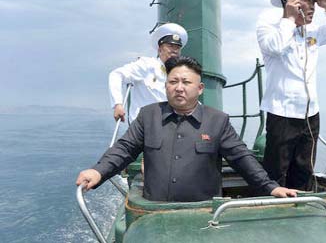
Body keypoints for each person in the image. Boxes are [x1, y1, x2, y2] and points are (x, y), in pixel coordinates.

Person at [76, 56, 298, 202]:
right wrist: (98, 171)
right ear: (166, 86)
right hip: (156, 212)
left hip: (201, 215)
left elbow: (242, 158)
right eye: (173, 82)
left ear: (200, 88)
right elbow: (124, 149)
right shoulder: (148, 115)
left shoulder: (217, 121)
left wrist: (271, 187)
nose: (179, 88)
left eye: (186, 82)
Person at [256, 0, 326, 190]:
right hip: (282, 114)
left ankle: (301, 212)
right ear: (293, 3)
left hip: (310, 114)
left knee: (304, 170)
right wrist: (288, 19)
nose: (313, 8)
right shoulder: (269, 28)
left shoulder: (312, 32)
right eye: (309, 2)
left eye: (315, 3)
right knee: (276, 171)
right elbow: (276, 47)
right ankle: (274, 216)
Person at [109, 23, 188, 123]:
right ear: (160, 50)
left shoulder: (179, 74)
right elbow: (116, 75)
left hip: (169, 128)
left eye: (177, 47)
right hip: (143, 128)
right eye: (170, 46)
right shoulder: (147, 65)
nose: (174, 51)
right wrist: (117, 104)